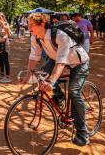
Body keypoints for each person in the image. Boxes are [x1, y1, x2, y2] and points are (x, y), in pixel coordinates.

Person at [24, 12, 90, 146]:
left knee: (73, 91)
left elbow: (61, 62)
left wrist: (51, 81)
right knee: (41, 76)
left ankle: (83, 132)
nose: (28, 28)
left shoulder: (60, 35)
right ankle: (59, 97)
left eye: (31, 25)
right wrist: (28, 74)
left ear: (42, 24)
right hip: (56, 59)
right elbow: (34, 56)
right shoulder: (35, 37)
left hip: (78, 62)